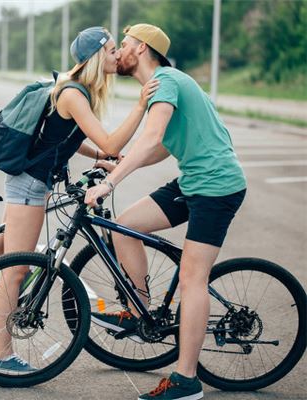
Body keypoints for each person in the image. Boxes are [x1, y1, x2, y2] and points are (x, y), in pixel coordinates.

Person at [0, 26, 159, 373]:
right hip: (30, 184)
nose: (116, 56)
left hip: (32, 181)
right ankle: (2, 356)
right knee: (16, 271)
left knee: (2, 250)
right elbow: (112, 143)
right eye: (110, 51)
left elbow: (64, 137)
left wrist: (95, 157)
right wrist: (140, 107)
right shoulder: (73, 93)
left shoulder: (78, 91)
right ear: (95, 57)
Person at [85, 24, 246, 400]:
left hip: (216, 187)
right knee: (122, 226)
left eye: (123, 45)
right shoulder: (158, 86)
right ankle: (137, 310)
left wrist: (111, 184)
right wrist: (120, 165)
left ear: (141, 48)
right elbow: (163, 147)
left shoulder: (166, 80)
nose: (118, 51)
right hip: (193, 182)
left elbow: (153, 138)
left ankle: (186, 380)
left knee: (192, 279)